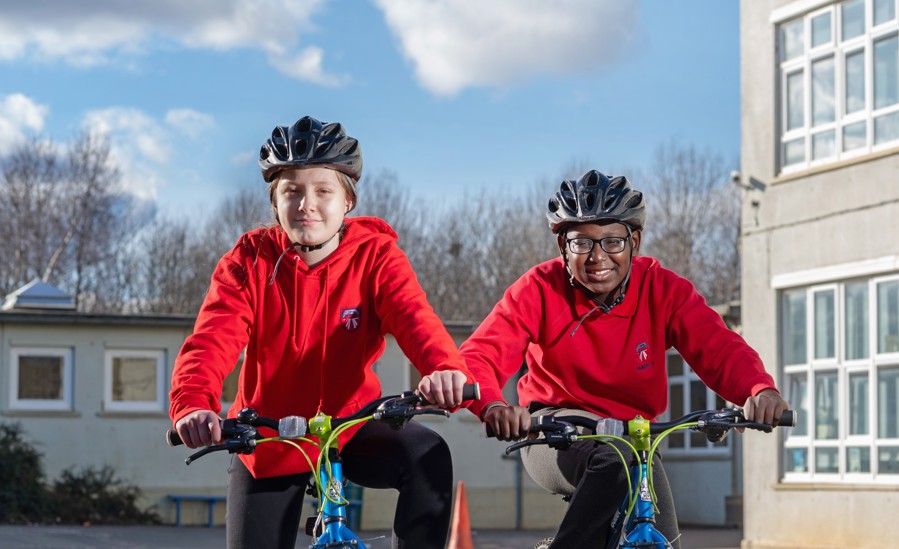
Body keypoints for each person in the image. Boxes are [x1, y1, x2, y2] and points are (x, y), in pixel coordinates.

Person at [169, 115, 473, 549]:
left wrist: (444, 368)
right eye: (291, 191)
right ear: (275, 202)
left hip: (351, 425)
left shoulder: (377, 257)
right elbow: (211, 342)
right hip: (268, 436)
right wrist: (193, 406)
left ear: (347, 201)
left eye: (322, 190)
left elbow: (416, 319)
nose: (306, 204)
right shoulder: (248, 261)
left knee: (428, 455)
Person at [461, 170, 789, 549]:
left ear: (634, 241)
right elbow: (480, 354)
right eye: (582, 243)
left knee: (662, 540)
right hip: (555, 433)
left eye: (613, 241)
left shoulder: (663, 290)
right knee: (611, 463)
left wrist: (759, 389)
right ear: (562, 247)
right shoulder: (538, 288)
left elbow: (718, 346)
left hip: (638, 443)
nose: (598, 257)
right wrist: (494, 405)